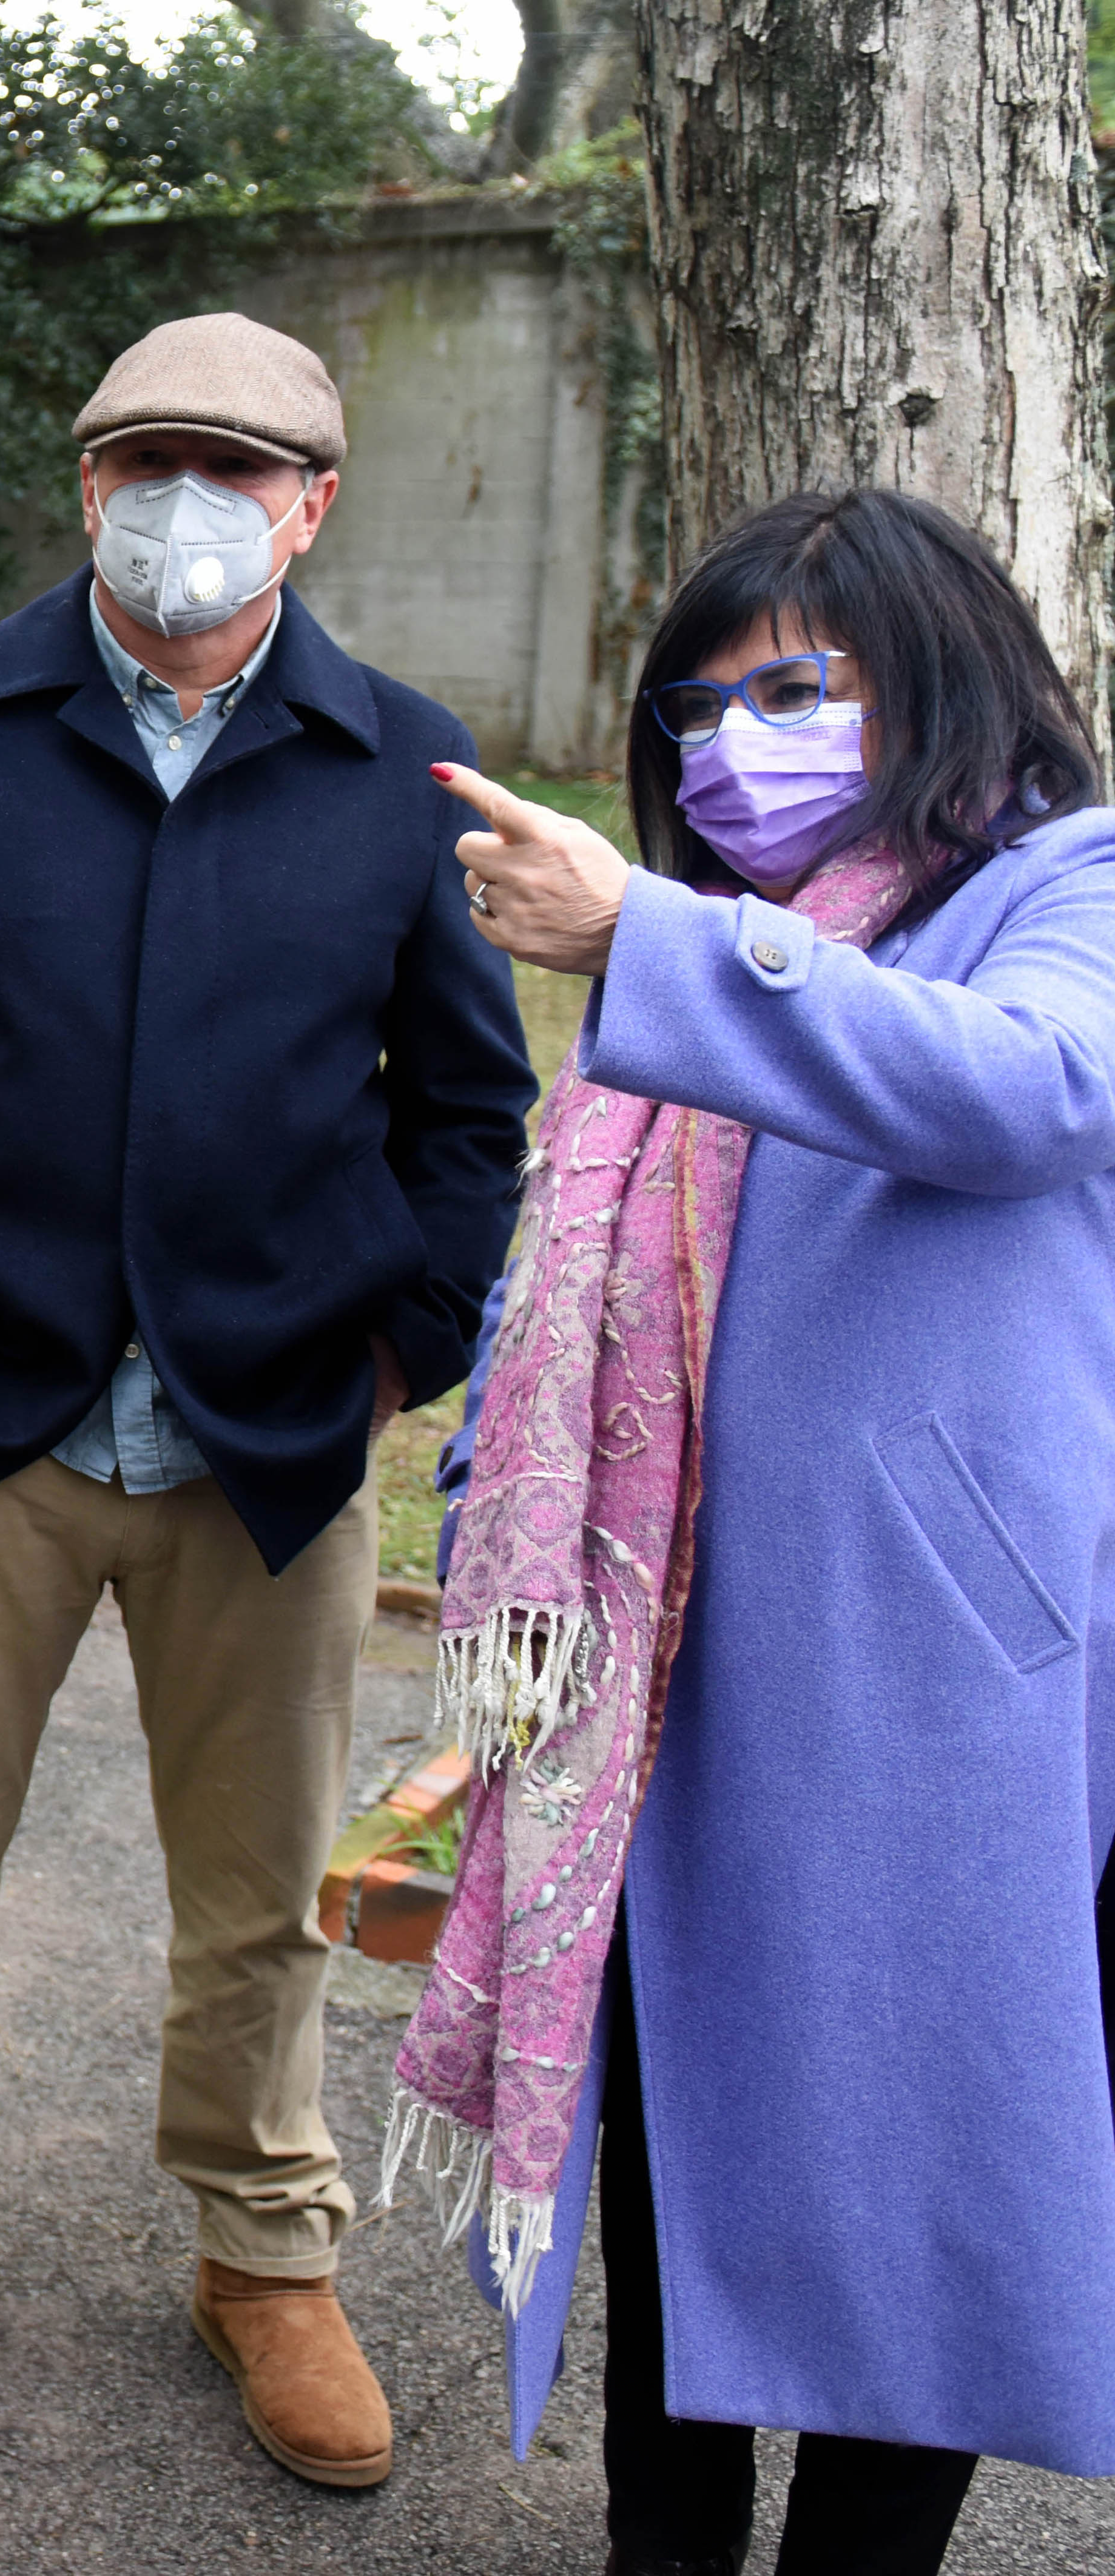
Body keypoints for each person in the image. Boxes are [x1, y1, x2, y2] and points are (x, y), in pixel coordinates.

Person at [0, 310, 536, 2484]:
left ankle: (265, 2253)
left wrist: (399, 1344)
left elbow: (472, 1109)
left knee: (265, 1890)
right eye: (146, 460)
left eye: (239, 469)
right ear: (88, 485)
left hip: (271, 1429)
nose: (189, 503)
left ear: (313, 507)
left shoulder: (400, 762)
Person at [404, 487, 1115, 2576]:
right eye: (698, 711)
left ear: (943, 676)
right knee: (669, 2149)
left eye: (794, 691)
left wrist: (660, 935)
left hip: (924, 1685)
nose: (735, 748)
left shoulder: (1064, 889)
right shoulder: (722, 948)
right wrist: (503, 1564)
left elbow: (1031, 1089)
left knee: (915, 2169)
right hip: (656, 1676)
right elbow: (579, 1295)